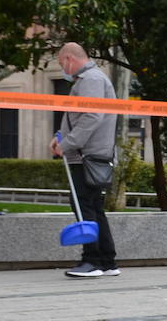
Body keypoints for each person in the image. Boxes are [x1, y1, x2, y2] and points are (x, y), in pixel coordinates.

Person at [50, 42, 119, 278]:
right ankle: (107, 260)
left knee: (83, 205)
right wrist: (59, 138)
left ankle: (92, 260)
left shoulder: (91, 80)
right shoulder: (92, 79)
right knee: (94, 207)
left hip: (86, 155)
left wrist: (67, 144)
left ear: (70, 59)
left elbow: (90, 117)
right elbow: (81, 118)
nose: (63, 69)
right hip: (90, 153)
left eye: (61, 64)